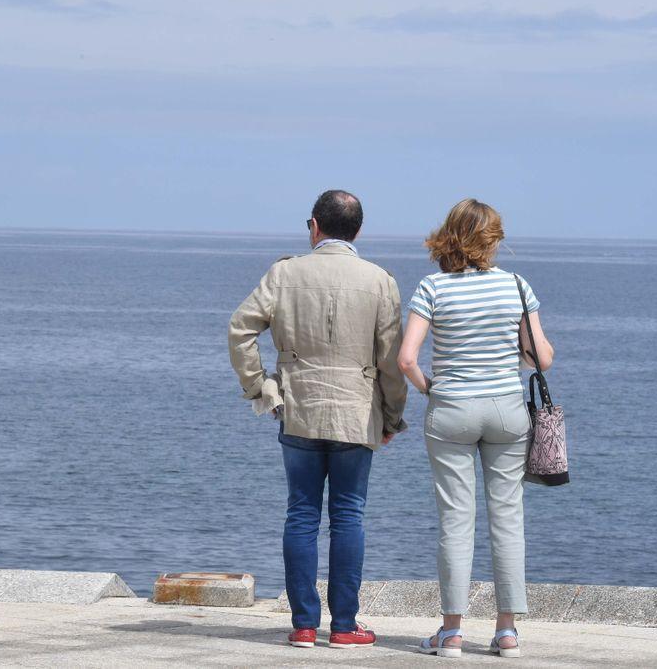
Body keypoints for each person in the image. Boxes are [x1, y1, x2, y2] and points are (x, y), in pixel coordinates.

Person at [228, 190, 408, 649]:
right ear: (359, 231)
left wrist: (261, 388)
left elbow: (240, 329)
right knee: (348, 516)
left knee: (302, 514)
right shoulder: (379, 281)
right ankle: (345, 626)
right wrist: (392, 417)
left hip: (298, 410)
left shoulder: (284, 273)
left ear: (313, 227)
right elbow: (390, 361)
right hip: (356, 413)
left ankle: (305, 624)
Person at [398, 198, 555, 659]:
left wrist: (432, 389)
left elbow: (407, 358)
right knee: (507, 518)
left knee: (455, 520)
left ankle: (451, 633)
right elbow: (540, 358)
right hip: (507, 411)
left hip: (451, 409)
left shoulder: (432, 287)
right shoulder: (517, 288)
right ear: (493, 239)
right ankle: (507, 631)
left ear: (449, 235)